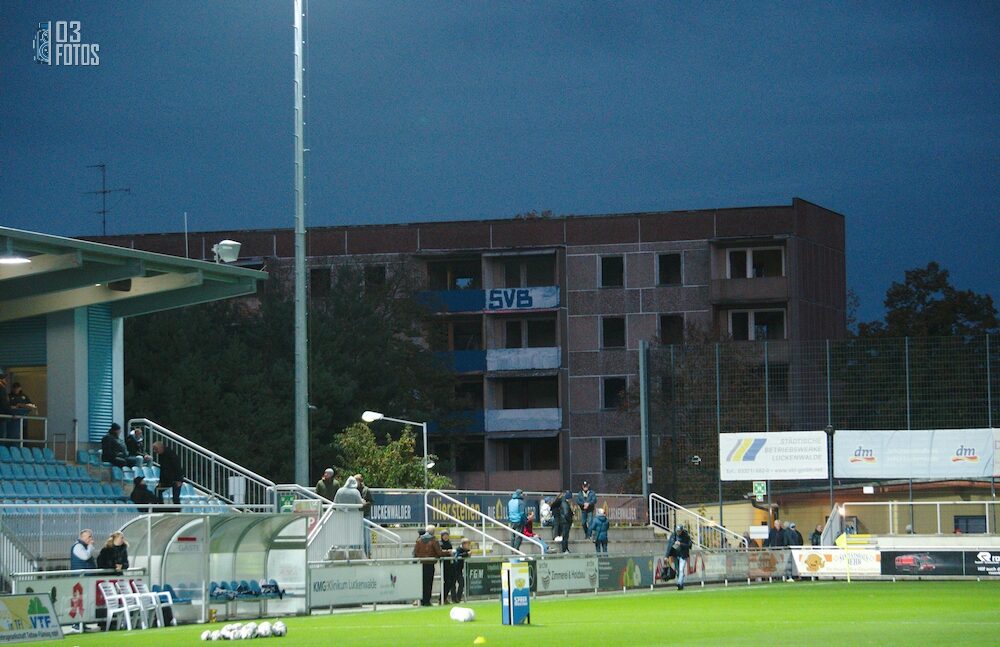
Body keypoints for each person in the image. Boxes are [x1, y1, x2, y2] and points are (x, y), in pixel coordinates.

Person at [412, 524, 450, 606]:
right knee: (429, 583)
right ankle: (426, 601)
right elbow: (439, 553)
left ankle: (421, 600)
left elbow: (415, 552)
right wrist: (448, 552)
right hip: (430, 563)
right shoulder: (434, 540)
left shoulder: (419, 540)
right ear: (433, 532)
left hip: (421, 563)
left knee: (422, 583)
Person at [152, 440, 183, 506]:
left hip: (175, 479)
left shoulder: (171, 454)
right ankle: (161, 507)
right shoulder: (161, 455)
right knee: (157, 490)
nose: (155, 451)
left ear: (161, 447)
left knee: (175, 498)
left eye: (156, 449)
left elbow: (177, 467)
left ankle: (178, 511)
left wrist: (179, 480)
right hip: (167, 479)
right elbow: (162, 469)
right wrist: (160, 481)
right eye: (154, 449)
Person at [452, 538, 472, 603]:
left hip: (460, 570)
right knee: (453, 584)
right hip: (454, 569)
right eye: (467, 544)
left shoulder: (467, 550)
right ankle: (454, 599)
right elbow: (457, 556)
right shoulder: (458, 549)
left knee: (462, 584)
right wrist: (467, 554)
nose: (468, 546)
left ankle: (458, 598)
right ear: (463, 544)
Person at [673, 524, 692, 590]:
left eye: (679, 531)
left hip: (683, 555)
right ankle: (681, 585)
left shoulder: (686, 536)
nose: (678, 532)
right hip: (676, 555)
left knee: (681, 570)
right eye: (677, 531)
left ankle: (679, 583)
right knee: (678, 571)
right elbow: (672, 546)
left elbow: (689, 545)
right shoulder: (674, 535)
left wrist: (680, 544)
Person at [439, 530, 455, 603]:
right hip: (444, 564)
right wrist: (447, 552)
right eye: (444, 535)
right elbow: (440, 552)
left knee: (450, 582)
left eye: (447, 535)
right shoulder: (440, 543)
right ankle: (441, 598)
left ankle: (444, 598)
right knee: (447, 581)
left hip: (450, 564)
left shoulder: (449, 543)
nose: (446, 537)